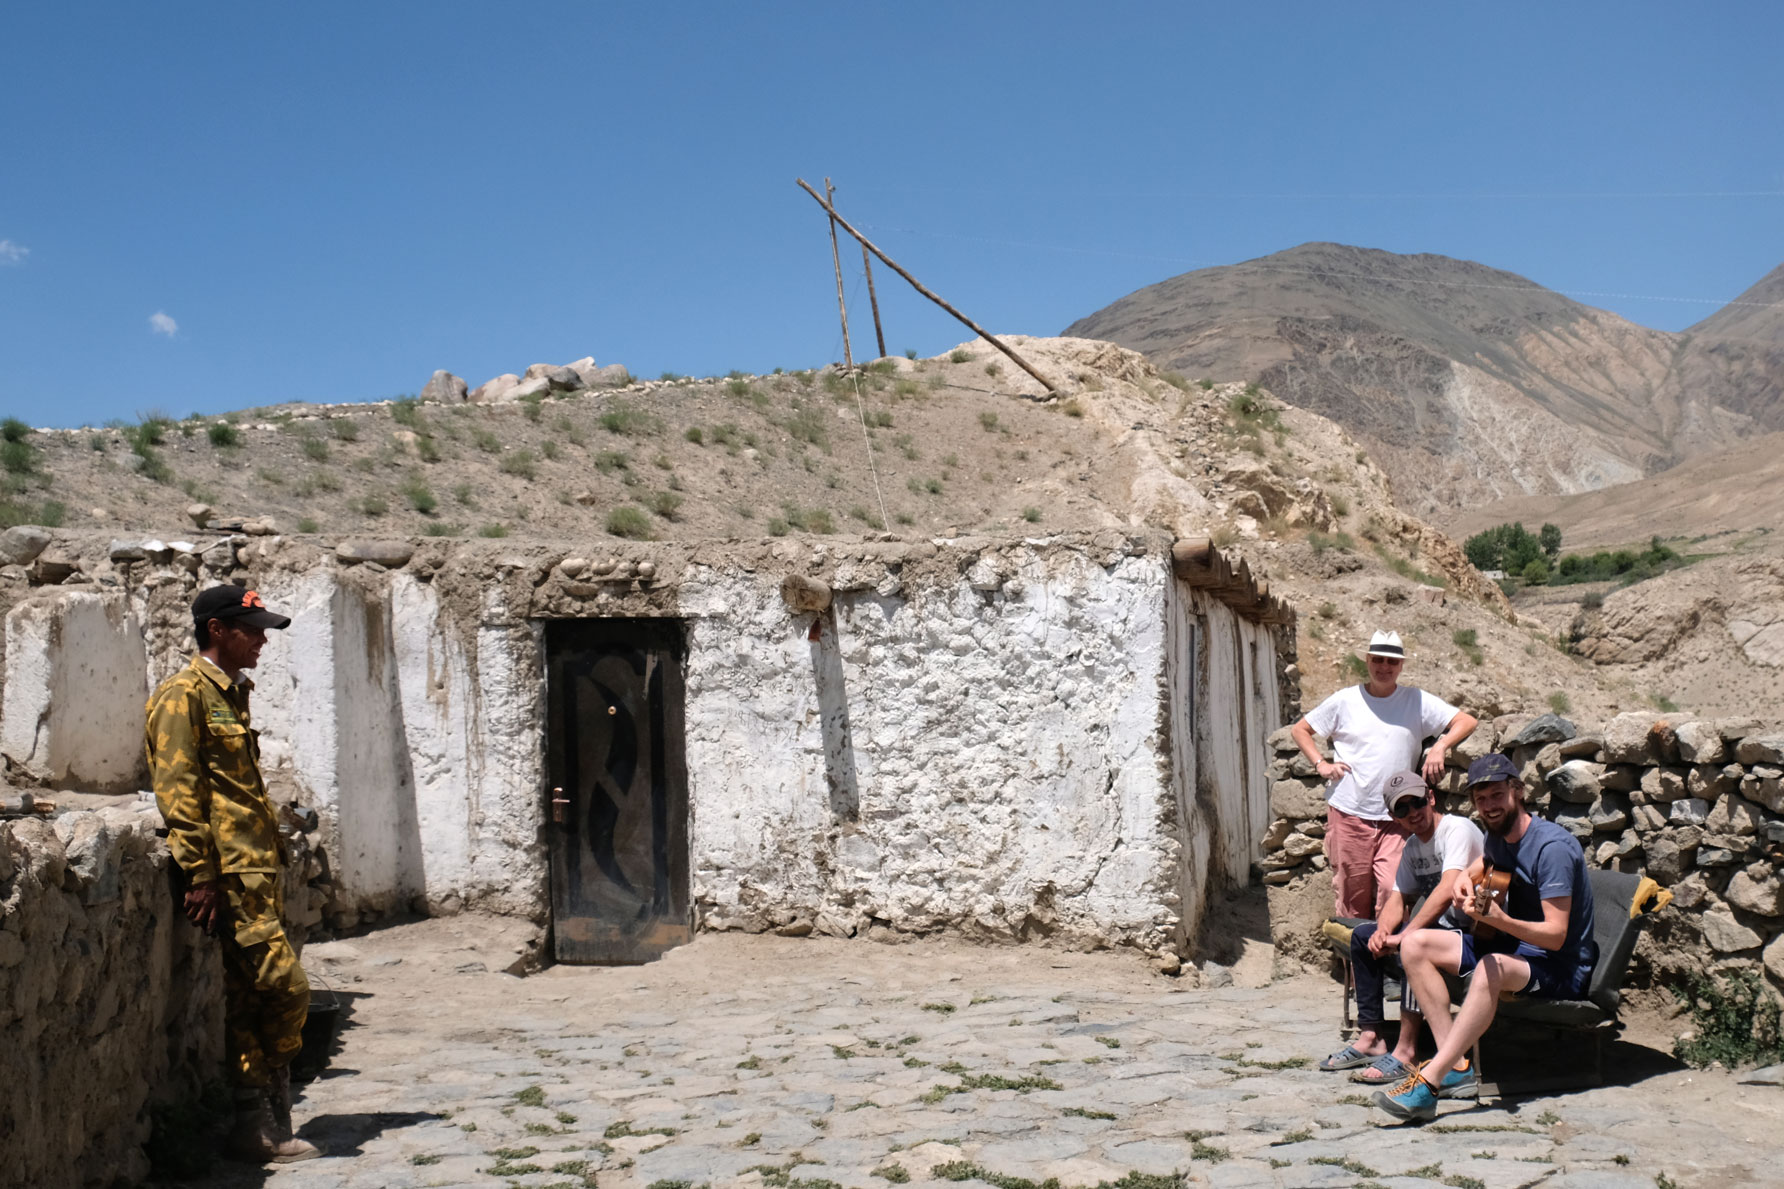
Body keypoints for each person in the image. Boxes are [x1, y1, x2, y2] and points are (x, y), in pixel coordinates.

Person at [145, 585, 323, 1163]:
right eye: (252, 631)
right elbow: (179, 790)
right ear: (217, 631)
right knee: (288, 990)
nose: (263, 641)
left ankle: (257, 1127)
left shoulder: (231, 694)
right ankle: (272, 1099)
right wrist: (199, 874)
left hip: (256, 871)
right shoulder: (182, 696)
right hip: (229, 878)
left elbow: (237, 790)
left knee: (248, 1002)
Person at [1374, 753, 1599, 1122]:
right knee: (1415, 944)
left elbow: (1556, 937)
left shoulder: (1551, 849)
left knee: (1490, 966)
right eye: (1481, 800)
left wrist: (1498, 918)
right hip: (1518, 950)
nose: (1489, 806)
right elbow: (1486, 864)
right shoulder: (1499, 837)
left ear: (1518, 791)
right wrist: (1465, 878)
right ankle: (1456, 1064)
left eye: (1497, 795)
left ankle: (1429, 1082)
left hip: (1558, 966)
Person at [1289, 630, 1478, 918]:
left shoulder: (1415, 700)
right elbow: (1301, 729)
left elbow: (1465, 720)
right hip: (1350, 813)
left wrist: (1440, 746)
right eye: (1378, 659)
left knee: (1394, 890)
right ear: (1367, 660)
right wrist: (1321, 765)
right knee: (1352, 900)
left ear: (1401, 666)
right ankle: (1354, 962)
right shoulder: (1345, 700)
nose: (1384, 667)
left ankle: (1385, 957)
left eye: (1392, 661)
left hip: (1398, 817)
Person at [1318, 771, 1484, 1088]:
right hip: (1442, 935)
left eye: (1417, 803)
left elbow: (1449, 887)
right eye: (1402, 809)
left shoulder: (1456, 830)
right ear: (1394, 816)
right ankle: (1371, 1037)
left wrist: (1404, 934)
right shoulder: (1411, 848)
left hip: (1476, 936)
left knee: (1413, 943)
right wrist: (1383, 930)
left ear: (1431, 798)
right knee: (1364, 937)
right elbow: (1397, 898)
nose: (1412, 813)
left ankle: (1406, 1051)